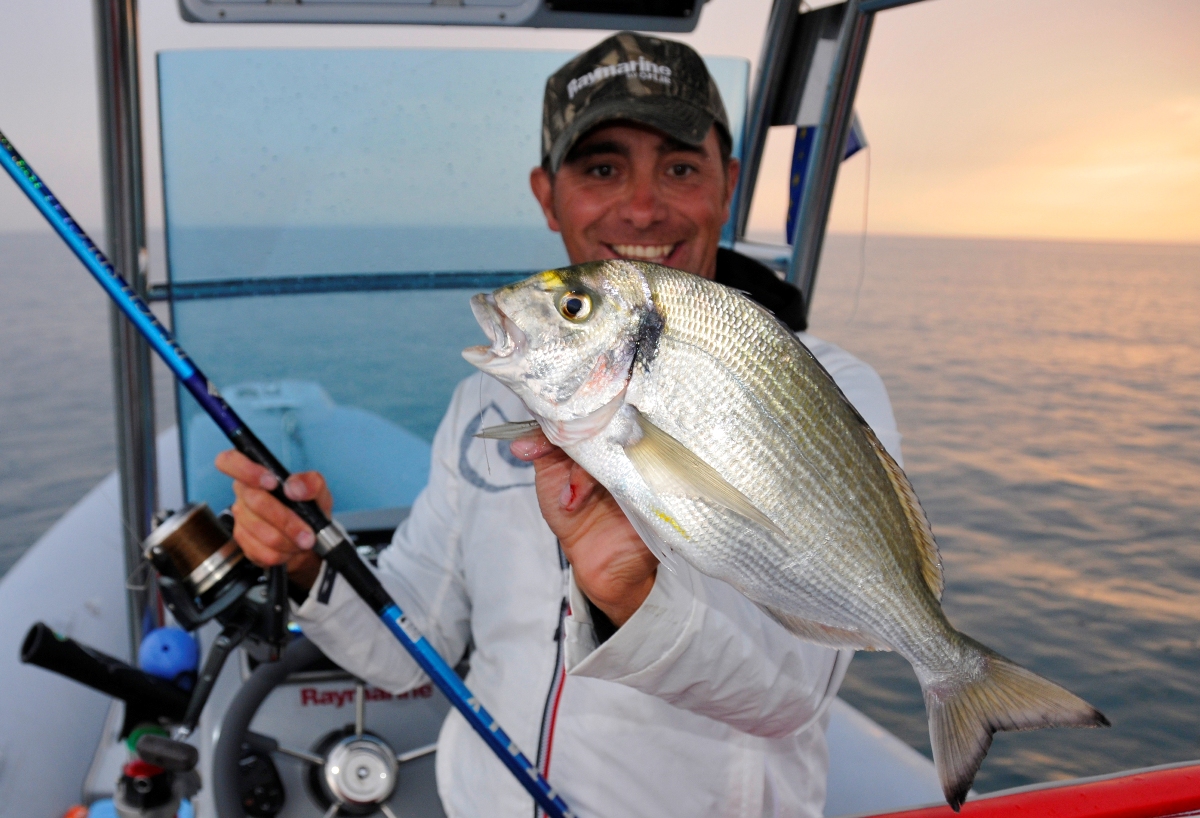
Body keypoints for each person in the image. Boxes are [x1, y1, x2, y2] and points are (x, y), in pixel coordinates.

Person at [217, 32, 902, 818]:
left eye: (680, 167)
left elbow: (789, 693)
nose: (643, 206)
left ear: (727, 187)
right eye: (602, 168)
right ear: (548, 195)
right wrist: (309, 558)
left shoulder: (821, 392)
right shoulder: (487, 402)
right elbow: (418, 646)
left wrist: (633, 598)